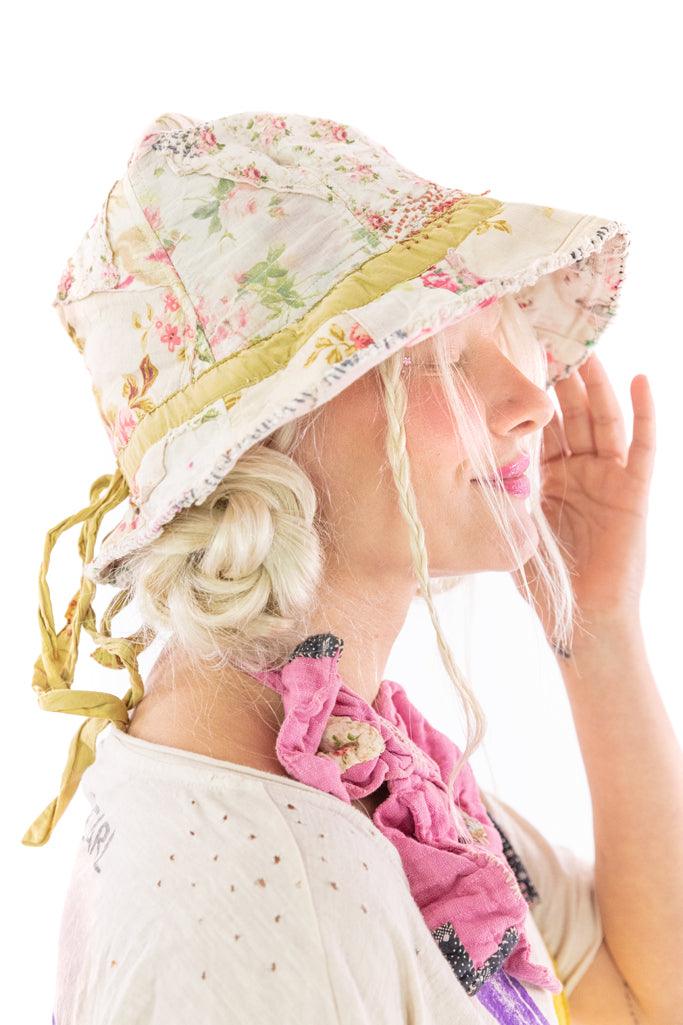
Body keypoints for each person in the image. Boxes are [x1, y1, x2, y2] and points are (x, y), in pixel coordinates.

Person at [24, 111, 675, 1025]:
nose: (534, 399)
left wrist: (595, 626)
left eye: (501, 337)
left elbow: (643, 997)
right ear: (268, 439)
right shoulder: (259, 894)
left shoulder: (367, 765)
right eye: (438, 357)